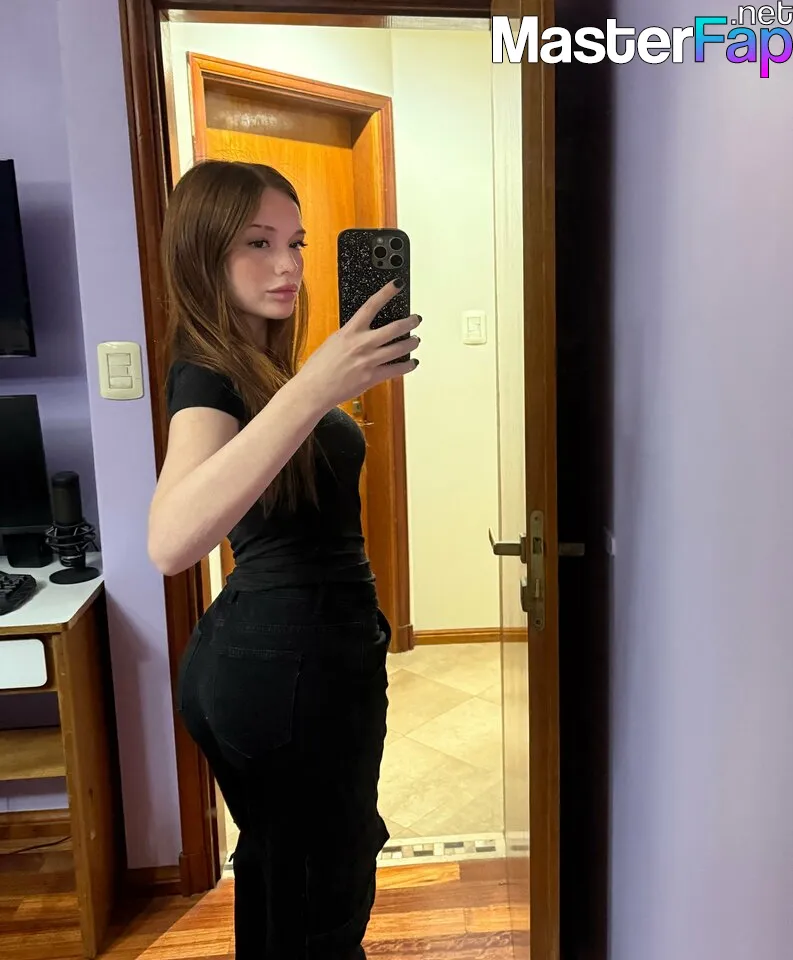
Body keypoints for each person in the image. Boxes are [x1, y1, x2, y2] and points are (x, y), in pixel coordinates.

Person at [147, 159, 421, 959]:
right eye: (257, 243)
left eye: (295, 243)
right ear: (203, 252)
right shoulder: (205, 374)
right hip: (282, 674)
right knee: (320, 893)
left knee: (289, 877)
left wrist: (310, 386)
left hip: (286, 663)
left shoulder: (253, 365)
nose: (288, 265)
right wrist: (314, 389)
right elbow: (171, 542)